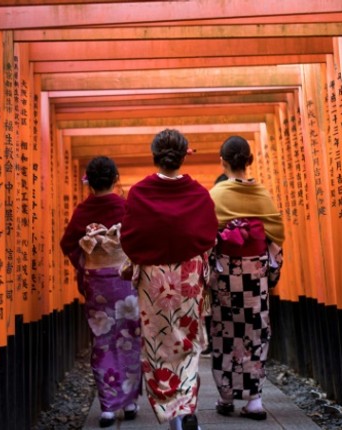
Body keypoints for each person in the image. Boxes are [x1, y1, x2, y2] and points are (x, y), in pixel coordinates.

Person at [120, 129, 218, 430]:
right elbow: (209, 235)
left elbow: (130, 238)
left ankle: (172, 412)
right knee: (186, 343)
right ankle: (185, 409)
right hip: (187, 277)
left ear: (155, 156)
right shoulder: (199, 193)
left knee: (158, 344)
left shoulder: (139, 193)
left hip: (153, 279)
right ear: (183, 155)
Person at [60, 156, 141, 428]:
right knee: (129, 336)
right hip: (125, 281)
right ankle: (129, 401)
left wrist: (86, 259)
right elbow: (139, 239)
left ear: (89, 183)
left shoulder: (83, 211)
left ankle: (108, 406)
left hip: (98, 285)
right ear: (116, 178)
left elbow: (68, 243)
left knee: (103, 339)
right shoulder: (126, 207)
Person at [208, 135, 285, 420]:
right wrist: (271, 273)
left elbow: (205, 239)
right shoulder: (262, 195)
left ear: (223, 161)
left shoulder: (215, 196)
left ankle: (226, 396)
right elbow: (275, 241)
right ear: (249, 161)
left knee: (225, 332)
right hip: (256, 280)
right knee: (256, 332)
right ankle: (254, 399)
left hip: (226, 277)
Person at [200, 173, 229, 358]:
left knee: (215, 307)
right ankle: (214, 342)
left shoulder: (212, 204)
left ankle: (214, 343)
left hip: (216, 264)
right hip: (242, 271)